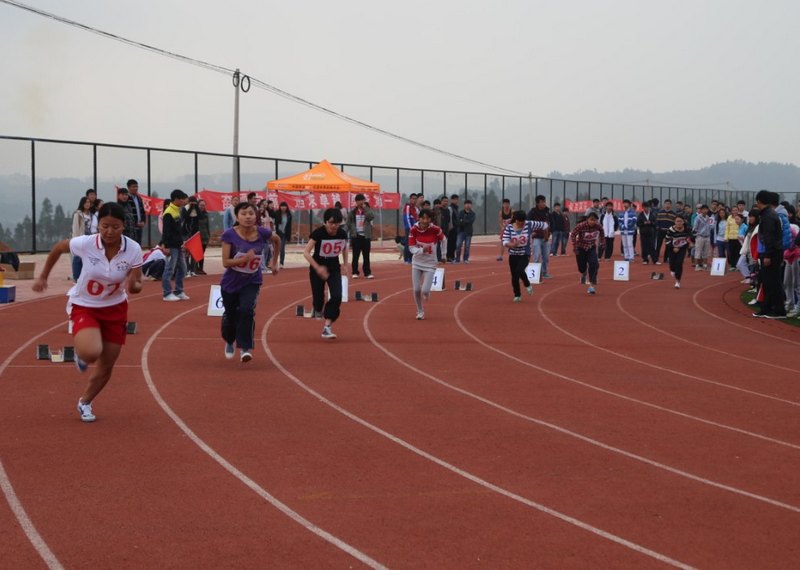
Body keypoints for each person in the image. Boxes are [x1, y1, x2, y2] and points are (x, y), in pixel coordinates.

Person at [32, 202, 143, 422]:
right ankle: (82, 354)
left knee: (107, 365)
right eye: (105, 226)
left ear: (123, 227)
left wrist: (134, 285)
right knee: (92, 352)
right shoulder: (86, 243)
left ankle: (85, 402)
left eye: (115, 226)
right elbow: (58, 248)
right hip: (85, 305)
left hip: (115, 308)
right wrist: (43, 276)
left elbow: (137, 283)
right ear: (98, 225)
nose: (109, 231)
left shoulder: (133, 249)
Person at [219, 201, 280, 362]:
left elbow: (277, 239)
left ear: (256, 216)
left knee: (246, 311)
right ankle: (229, 341)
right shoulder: (229, 235)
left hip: (252, 280)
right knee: (231, 316)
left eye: (251, 214)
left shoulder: (262, 233)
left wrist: (274, 262)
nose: (248, 217)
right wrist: (244, 259)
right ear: (237, 217)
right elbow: (225, 262)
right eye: (244, 214)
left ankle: (245, 348)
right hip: (231, 282)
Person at [303, 208, 350, 339]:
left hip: (333, 267)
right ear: (325, 222)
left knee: (337, 296)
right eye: (331, 223)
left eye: (337, 223)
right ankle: (317, 309)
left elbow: (345, 248)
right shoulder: (318, 233)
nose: (334, 226)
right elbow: (306, 252)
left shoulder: (341, 233)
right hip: (317, 267)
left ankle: (327, 326)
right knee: (318, 300)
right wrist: (318, 268)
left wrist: (345, 264)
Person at [503, 210, 549, 302]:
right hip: (513, 254)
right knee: (514, 276)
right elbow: (505, 241)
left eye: (522, 222)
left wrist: (546, 236)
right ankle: (517, 295)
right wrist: (512, 244)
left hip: (525, 253)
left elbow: (545, 225)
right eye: (519, 222)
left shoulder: (530, 224)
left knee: (519, 270)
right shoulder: (509, 227)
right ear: (515, 220)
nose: (521, 224)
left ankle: (527, 284)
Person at [407, 208, 445, 319]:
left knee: (424, 290)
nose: (425, 221)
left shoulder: (435, 229)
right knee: (416, 289)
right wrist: (421, 250)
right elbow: (411, 248)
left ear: (430, 219)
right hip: (417, 263)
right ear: (419, 218)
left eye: (427, 218)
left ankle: (427, 292)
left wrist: (444, 255)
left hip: (430, 264)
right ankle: (420, 311)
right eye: (423, 218)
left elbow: (444, 240)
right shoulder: (413, 230)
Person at [753, 190, 786, 318]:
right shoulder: (769, 214)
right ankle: (767, 308)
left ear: (759, 201)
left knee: (772, 282)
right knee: (768, 282)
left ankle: (779, 310)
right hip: (772, 252)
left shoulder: (768, 216)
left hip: (771, 253)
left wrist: (767, 255)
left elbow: (769, 237)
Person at [161, 189, 190, 301]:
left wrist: (182, 243)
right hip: (171, 245)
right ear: (176, 199)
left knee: (183, 268)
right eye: (182, 199)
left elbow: (179, 231)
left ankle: (179, 291)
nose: (183, 201)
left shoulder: (178, 210)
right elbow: (166, 231)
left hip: (178, 245)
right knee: (169, 269)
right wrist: (165, 246)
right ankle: (167, 293)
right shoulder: (168, 212)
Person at [570, 211, 604, 295]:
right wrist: (575, 246)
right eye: (591, 220)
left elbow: (602, 232)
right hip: (581, 248)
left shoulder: (598, 226)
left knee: (594, 264)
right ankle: (583, 273)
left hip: (591, 247)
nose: (593, 222)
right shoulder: (581, 226)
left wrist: (602, 241)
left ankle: (591, 285)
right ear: (587, 219)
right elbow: (573, 234)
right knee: (581, 268)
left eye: (594, 220)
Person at [348, 193, 375, 279]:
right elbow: (349, 223)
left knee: (366, 255)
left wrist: (365, 208)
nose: (361, 202)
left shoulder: (367, 210)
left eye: (362, 200)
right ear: (356, 202)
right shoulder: (352, 212)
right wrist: (352, 231)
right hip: (356, 236)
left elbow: (371, 217)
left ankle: (367, 273)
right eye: (359, 200)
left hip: (366, 236)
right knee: (355, 255)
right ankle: (355, 272)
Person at [70, 196, 96, 281]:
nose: (87, 204)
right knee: (78, 258)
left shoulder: (92, 215)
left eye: (89, 202)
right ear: (82, 203)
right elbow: (75, 228)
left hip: (90, 239)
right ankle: (76, 277)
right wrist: (76, 240)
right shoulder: (78, 214)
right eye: (85, 202)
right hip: (80, 239)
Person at [665, 215, 693, 289]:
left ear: (683, 222)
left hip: (682, 248)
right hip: (672, 248)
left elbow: (691, 237)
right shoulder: (671, 230)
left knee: (679, 263)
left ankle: (677, 281)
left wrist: (690, 243)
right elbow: (667, 240)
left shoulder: (687, 229)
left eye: (680, 221)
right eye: (677, 221)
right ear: (675, 222)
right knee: (672, 264)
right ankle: (672, 270)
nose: (679, 223)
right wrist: (673, 247)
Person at [527, 195, 551, 277]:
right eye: (542, 202)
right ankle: (536, 275)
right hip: (537, 237)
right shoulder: (533, 212)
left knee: (546, 257)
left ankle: (544, 272)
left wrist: (549, 232)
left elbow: (550, 223)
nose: (544, 203)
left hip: (546, 238)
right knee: (536, 256)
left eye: (544, 201)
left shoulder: (547, 211)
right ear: (537, 203)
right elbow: (527, 222)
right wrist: (531, 232)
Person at [655, 199, 676, 265]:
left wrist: (672, 230)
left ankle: (666, 259)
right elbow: (657, 222)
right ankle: (656, 259)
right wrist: (658, 228)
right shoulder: (660, 213)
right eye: (666, 204)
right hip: (660, 231)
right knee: (658, 245)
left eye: (669, 204)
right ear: (664, 205)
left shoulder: (673, 214)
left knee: (668, 246)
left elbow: (674, 223)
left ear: (671, 205)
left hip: (669, 232)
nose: (667, 205)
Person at [692, 204, 713, 270]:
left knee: (706, 252)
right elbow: (695, 227)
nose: (705, 210)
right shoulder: (697, 218)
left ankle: (705, 265)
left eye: (706, 209)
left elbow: (710, 227)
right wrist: (697, 234)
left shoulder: (708, 218)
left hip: (707, 237)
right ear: (701, 210)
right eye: (703, 209)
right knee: (698, 251)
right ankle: (697, 265)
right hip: (700, 236)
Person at [125, 179, 146, 244]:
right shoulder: (126, 198)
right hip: (131, 227)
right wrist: (135, 223)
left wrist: (143, 221)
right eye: (133, 186)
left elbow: (142, 211)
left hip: (139, 226)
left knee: (138, 244)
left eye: (136, 186)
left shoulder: (139, 198)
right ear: (128, 187)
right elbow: (127, 213)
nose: (136, 188)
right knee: (131, 244)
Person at [637, 200, 657, 265]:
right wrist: (643, 223)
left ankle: (655, 260)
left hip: (651, 232)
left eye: (647, 207)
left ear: (649, 207)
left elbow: (655, 223)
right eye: (645, 207)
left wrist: (651, 223)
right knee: (644, 246)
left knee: (652, 246)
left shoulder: (652, 214)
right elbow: (638, 223)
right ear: (642, 208)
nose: (646, 208)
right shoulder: (640, 215)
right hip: (643, 233)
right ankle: (645, 259)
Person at [275, 202, 293, 267]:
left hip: (284, 233)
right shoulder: (277, 213)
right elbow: (275, 223)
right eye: (282, 206)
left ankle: (281, 262)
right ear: (280, 207)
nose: (283, 208)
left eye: (284, 206)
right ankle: (274, 262)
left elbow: (289, 226)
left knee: (282, 248)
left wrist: (289, 236)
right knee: (275, 248)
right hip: (277, 233)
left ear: (287, 207)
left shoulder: (289, 215)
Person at [402, 193, 418, 263]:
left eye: (415, 199)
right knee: (408, 243)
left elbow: (415, 218)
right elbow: (407, 217)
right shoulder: (408, 207)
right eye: (413, 198)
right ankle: (407, 258)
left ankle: (411, 258)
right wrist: (410, 228)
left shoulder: (414, 208)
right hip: (409, 228)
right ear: (410, 199)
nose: (414, 200)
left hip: (414, 228)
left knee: (413, 243)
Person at [196, 199, 210, 275]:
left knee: (202, 253)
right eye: (201, 205)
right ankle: (195, 268)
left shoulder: (206, 214)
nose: (202, 207)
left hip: (204, 236)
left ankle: (200, 268)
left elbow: (207, 226)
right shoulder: (195, 214)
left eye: (203, 205)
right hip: (197, 236)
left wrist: (208, 235)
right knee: (197, 253)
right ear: (198, 205)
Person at [446, 194, 459, 262]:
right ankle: (449, 256)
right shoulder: (450, 208)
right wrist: (450, 227)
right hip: (451, 228)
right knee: (450, 243)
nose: (456, 201)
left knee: (454, 243)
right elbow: (450, 218)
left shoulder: (456, 208)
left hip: (456, 228)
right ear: (451, 200)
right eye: (454, 199)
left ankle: (452, 256)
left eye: (457, 199)